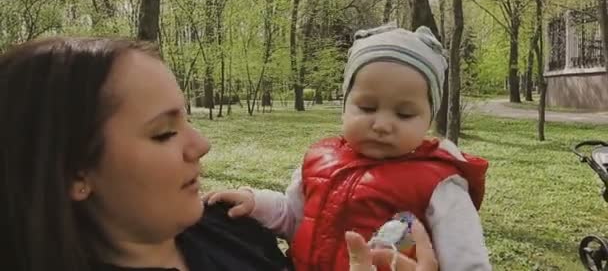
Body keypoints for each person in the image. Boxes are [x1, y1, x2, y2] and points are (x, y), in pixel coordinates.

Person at [0, 36, 438, 271]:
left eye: (187, 119)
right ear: (75, 172)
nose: (201, 145)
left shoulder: (233, 229)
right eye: (164, 133)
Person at [204, 24, 492, 270]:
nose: (382, 124)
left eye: (404, 114)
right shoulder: (321, 160)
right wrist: (255, 202)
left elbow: (467, 261)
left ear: (429, 119)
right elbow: (295, 217)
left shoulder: (440, 184)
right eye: (367, 107)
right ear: (344, 106)